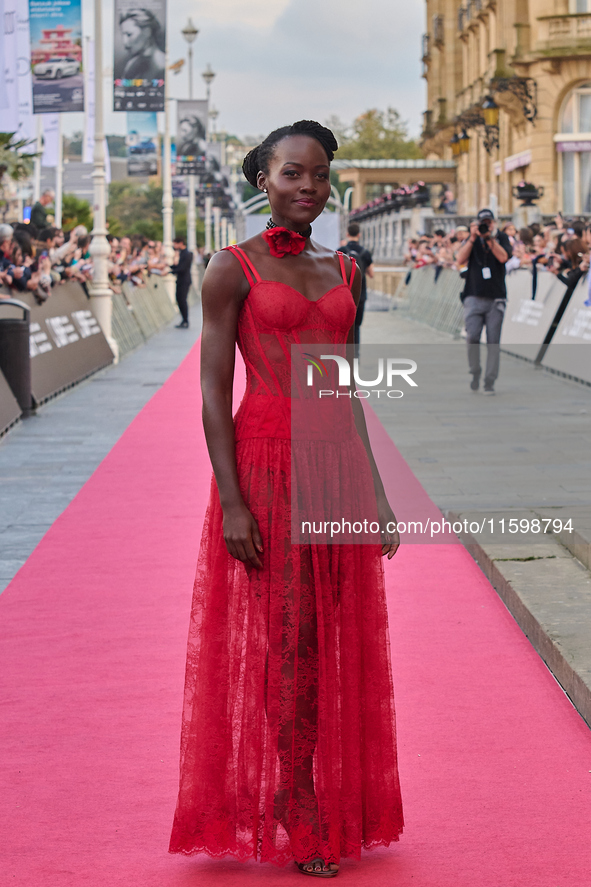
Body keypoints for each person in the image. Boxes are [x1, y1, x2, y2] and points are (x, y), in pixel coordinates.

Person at [168, 119, 404, 878]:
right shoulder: (230, 267)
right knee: (289, 636)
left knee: (332, 633)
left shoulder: (345, 268)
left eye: (320, 175)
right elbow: (210, 388)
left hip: (334, 463)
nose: (308, 187)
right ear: (261, 181)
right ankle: (295, 795)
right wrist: (232, 500)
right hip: (266, 465)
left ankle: (309, 784)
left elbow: (348, 383)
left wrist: (376, 491)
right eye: (293, 174)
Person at [455, 208, 512, 395]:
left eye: (488, 222)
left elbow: (503, 257)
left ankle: (489, 381)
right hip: (473, 295)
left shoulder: (501, 238)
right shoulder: (472, 239)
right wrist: (473, 238)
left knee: (493, 342)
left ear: (493, 223)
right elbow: (460, 259)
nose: (485, 226)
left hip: (496, 298)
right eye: (482, 223)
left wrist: (489, 238)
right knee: (472, 337)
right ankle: (475, 371)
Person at [339, 222, 373, 344]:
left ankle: (344, 354)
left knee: (344, 327)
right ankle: (356, 355)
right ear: (359, 235)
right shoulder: (365, 252)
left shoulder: (340, 251)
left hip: (343, 294)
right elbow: (371, 274)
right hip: (360, 293)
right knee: (356, 326)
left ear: (347, 234)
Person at [117, 8, 165, 82]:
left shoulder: (161, 66)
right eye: (123, 35)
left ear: (147, 32)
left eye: (129, 35)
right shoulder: (132, 64)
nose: (125, 42)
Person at [170, 234, 193, 328]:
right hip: (180, 280)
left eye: (175, 244)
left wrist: (170, 271)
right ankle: (184, 319)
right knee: (179, 299)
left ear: (180, 243)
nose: (174, 246)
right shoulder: (181, 253)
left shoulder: (188, 254)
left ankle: (185, 320)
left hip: (184, 280)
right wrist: (170, 267)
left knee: (182, 300)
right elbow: (179, 267)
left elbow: (183, 268)